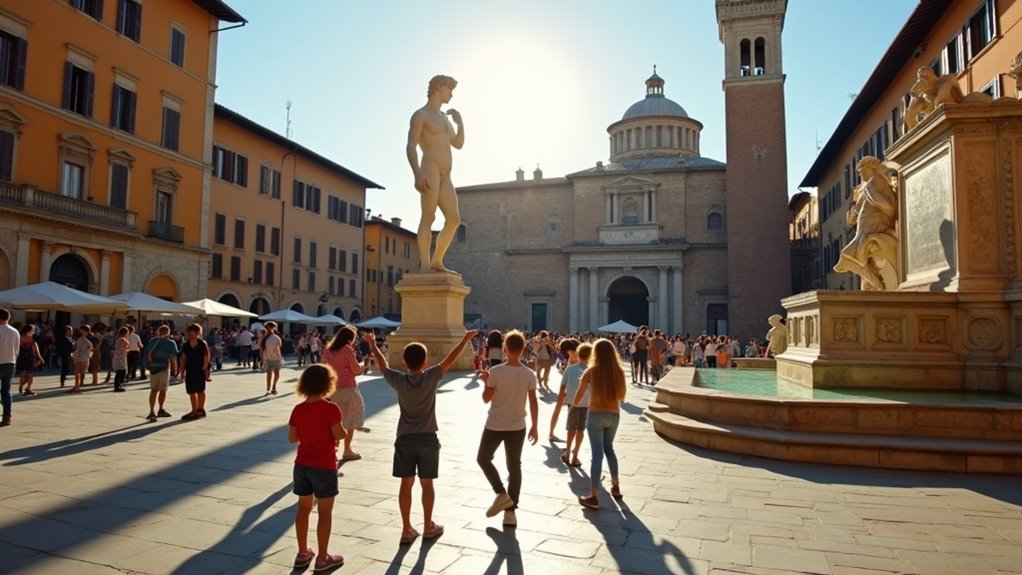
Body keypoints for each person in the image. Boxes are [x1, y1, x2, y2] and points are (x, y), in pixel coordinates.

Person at [363, 329, 476, 544]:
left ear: (405, 363)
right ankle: (428, 526)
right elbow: (450, 358)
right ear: (425, 361)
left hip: (405, 438)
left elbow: (383, 365)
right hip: (428, 438)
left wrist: (373, 344)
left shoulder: (398, 380)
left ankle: (406, 528)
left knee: (406, 484)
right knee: (427, 484)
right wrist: (465, 339)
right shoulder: (432, 376)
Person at [477, 329, 539, 528]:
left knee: (483, 459)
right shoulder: (529, 374)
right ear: (523, 349)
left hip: (495, 424)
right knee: (514, 467)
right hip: (518, 426)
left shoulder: (496, 372)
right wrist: (535, 426)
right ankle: (510, 513)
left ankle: (501, 493)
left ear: (504, 349)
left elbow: (486, 399)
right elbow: (533, 402)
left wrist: (486, 382)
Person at [288, 363, 346, 572]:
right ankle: (323, 557)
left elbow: (292, 438)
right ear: (328, 384)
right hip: (324, 466)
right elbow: (339, 434)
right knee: (325, 512)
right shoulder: (331, 408)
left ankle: (303, 552)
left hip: (302, 464)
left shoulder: (298, 409)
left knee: (303, 509)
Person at [406, 74, 464, 274]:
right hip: (429, 169)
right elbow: (411, 146)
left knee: (454, 219)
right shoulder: (420, 115)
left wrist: (460, 122)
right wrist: (417, 173)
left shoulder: (445, 120)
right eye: (450, 90)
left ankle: (437, 261)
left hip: (446, 174)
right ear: (439, 88)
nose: (451, 95)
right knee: (428, 217)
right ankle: (425, 264)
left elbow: (458, 144)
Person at [574, 338, 627, 510]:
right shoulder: (618, 371)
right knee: (609, 449)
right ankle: (616, 486)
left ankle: (594, 496)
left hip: (596, 414)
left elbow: (580, 393)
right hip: (614, 415)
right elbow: (622, 395)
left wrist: (573, 406)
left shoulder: (591, 371)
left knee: (597, 455)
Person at [323, 326, 365, 461]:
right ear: (349, 339)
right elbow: (356, 370)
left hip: (332, 389)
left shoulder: (328, 351)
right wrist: (362, 364)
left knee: (333, 421)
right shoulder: (347, 350)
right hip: (348, 389)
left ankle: (332, 450)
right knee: (349, 420)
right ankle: (347, 450)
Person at [556, 340, 590, 467]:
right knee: (581, 430)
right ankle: (575, 455)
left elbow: (562, 387)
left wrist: (562, 400)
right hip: (586, 405)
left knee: (571, 429)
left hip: (572, 404)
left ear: (579, 354)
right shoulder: (592, 371)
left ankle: (568, 453)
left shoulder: (570, 369)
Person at [144, 325, 179, 423]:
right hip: (164, 367)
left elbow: (148, 354)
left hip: (153, 367)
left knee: (153, 390)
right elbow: (173, 357)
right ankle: (161, 408)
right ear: (168, 332)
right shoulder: (171, 343)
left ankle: (151, 410)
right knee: (163, 390)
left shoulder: (152, 341)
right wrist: (174, 369)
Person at [549, 337, 580, 443]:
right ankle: (555, 434)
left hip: (569, 385)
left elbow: (568, 370)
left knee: (560, 409)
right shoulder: (576, 353)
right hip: (573, 386)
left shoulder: (572, 354)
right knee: (572, 412)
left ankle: (551, 433)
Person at [178, 323, 210, 421]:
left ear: (196, 332)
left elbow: (206, 356)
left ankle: (200, 409)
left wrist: (205, 367)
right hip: (190, 370)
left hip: (200, 370)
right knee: (191, 391)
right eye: (187, 332)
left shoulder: (202, 343)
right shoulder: (186, 345)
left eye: (189, 331)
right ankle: (194, 410)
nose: (187, 333)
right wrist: (182, 371)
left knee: (200, 390)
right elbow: (183, 358)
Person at [0, 308, 20, 426]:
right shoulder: (15, 331)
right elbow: (17, 349)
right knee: (6, 391)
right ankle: (7, 416)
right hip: (10, 363)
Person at [16, 325, 43, 396]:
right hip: (28, 359)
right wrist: (40, 357)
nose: (34, 331)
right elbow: (36, 349)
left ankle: (22, 387)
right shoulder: (28, 338)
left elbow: (35, 347)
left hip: (25, 358)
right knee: (28, 375)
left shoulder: (22, 338)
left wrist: (39, 356)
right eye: (33, 330)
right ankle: (26, 388)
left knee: (25, 374)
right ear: (29, 330)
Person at [260, 321, 283, 395]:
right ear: (273, 327)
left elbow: (261, 350)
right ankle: (273, 386)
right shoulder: (276, 338)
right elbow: (279, 348)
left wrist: (262, 359)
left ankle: (269, 389)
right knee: (276, 374)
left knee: (269, 374)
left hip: (268, 358)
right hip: (276, 358)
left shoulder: (264, 338)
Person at [70, 324, 93, 393]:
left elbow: (79, 349)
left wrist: (74, 355)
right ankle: (77, 385)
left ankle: (77, 386)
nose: (80, 330)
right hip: (82, 358)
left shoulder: (84, 341)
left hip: (81, 358)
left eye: (81, 329)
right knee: (78, 373)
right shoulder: (83, 340)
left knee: (77, 373)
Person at [112, 326, 129, 392]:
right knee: (121, 371)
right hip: (120, 357)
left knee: (120, 371)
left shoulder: (118, 339)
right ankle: (118, 385)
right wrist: (126, 350)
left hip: (118, 356)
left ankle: (118, 385)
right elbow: (121, 349)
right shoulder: (122, 340)